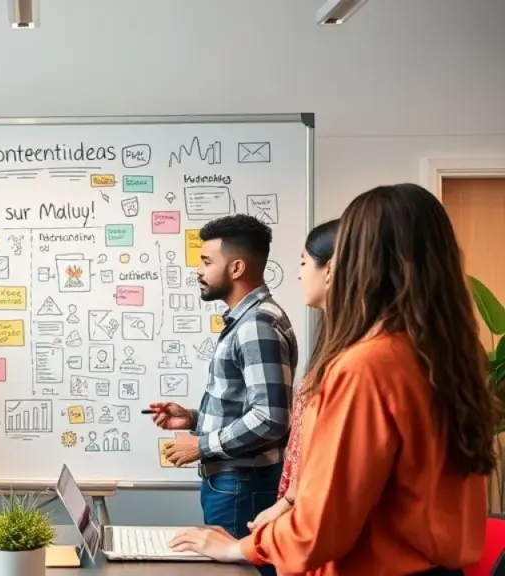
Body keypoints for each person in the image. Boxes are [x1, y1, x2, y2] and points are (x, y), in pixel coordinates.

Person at [170, 184, 497, 575]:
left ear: (360, 261)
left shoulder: (368, 366)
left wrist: (239, 547)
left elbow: (320, 528)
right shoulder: (450, 356)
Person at [149, 214, 297, 556]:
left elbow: (272, 418)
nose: (198, 271)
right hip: (234, 483)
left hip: (242, 486)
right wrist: (193, 417)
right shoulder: (250, 319)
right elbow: (247, 405)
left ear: (236, 268)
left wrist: (200, 445)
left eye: (206, 261)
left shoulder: (256, 325)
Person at [247, 219, 340, 531]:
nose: (299, 273)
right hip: (297, 504)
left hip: (312, 514)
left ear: (331, 268)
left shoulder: (357, 362)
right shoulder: (332, 341)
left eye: (303, 262)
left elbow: (329, 461)